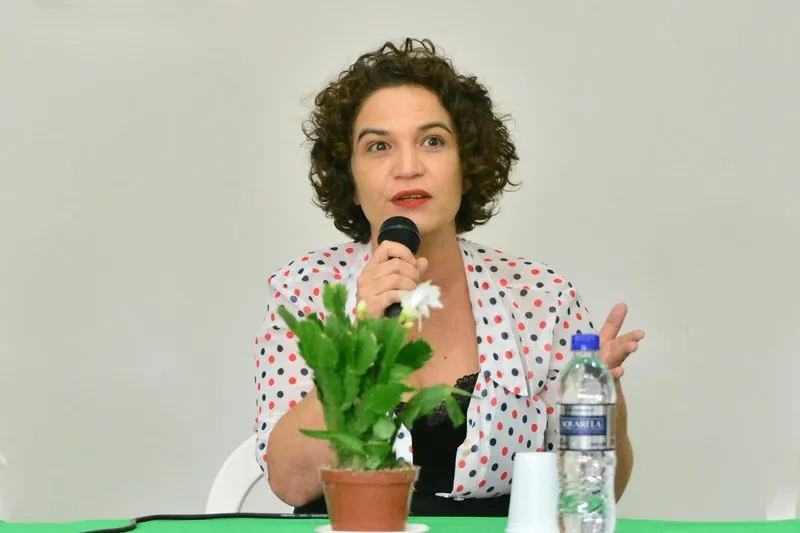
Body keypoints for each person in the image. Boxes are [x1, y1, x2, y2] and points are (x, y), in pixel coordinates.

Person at [252, 38, 645, 517]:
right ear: (350, 179)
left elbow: (601, 492)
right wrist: (358, 342)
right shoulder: (305, 291)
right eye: (378, 146)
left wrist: (601, 398)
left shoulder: (541, 296)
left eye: (432, 141)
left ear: (467, 164)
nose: (408, 167)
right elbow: (290, 482)